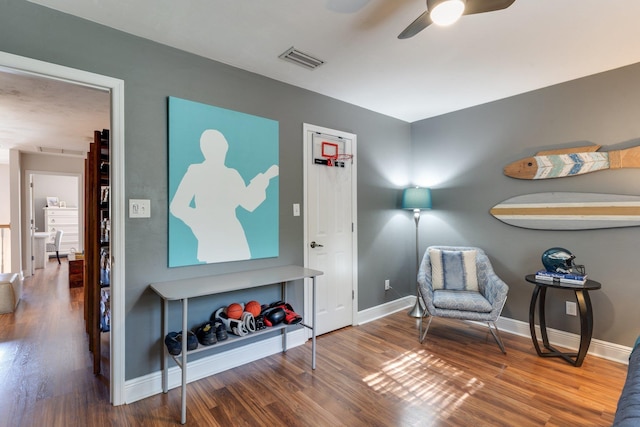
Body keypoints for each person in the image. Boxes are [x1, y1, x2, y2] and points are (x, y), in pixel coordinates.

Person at [170, 129, 278, 263]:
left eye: (222, 146)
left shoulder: (232, 174)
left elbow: (248, 202)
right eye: (216, 147)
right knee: (212, 278)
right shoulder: (196, 172)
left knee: (241, 277)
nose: (221, 150)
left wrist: (265, 177)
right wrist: (200, 222)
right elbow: (177, 206)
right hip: (211, 238)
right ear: (205, 150)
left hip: (234, 236)